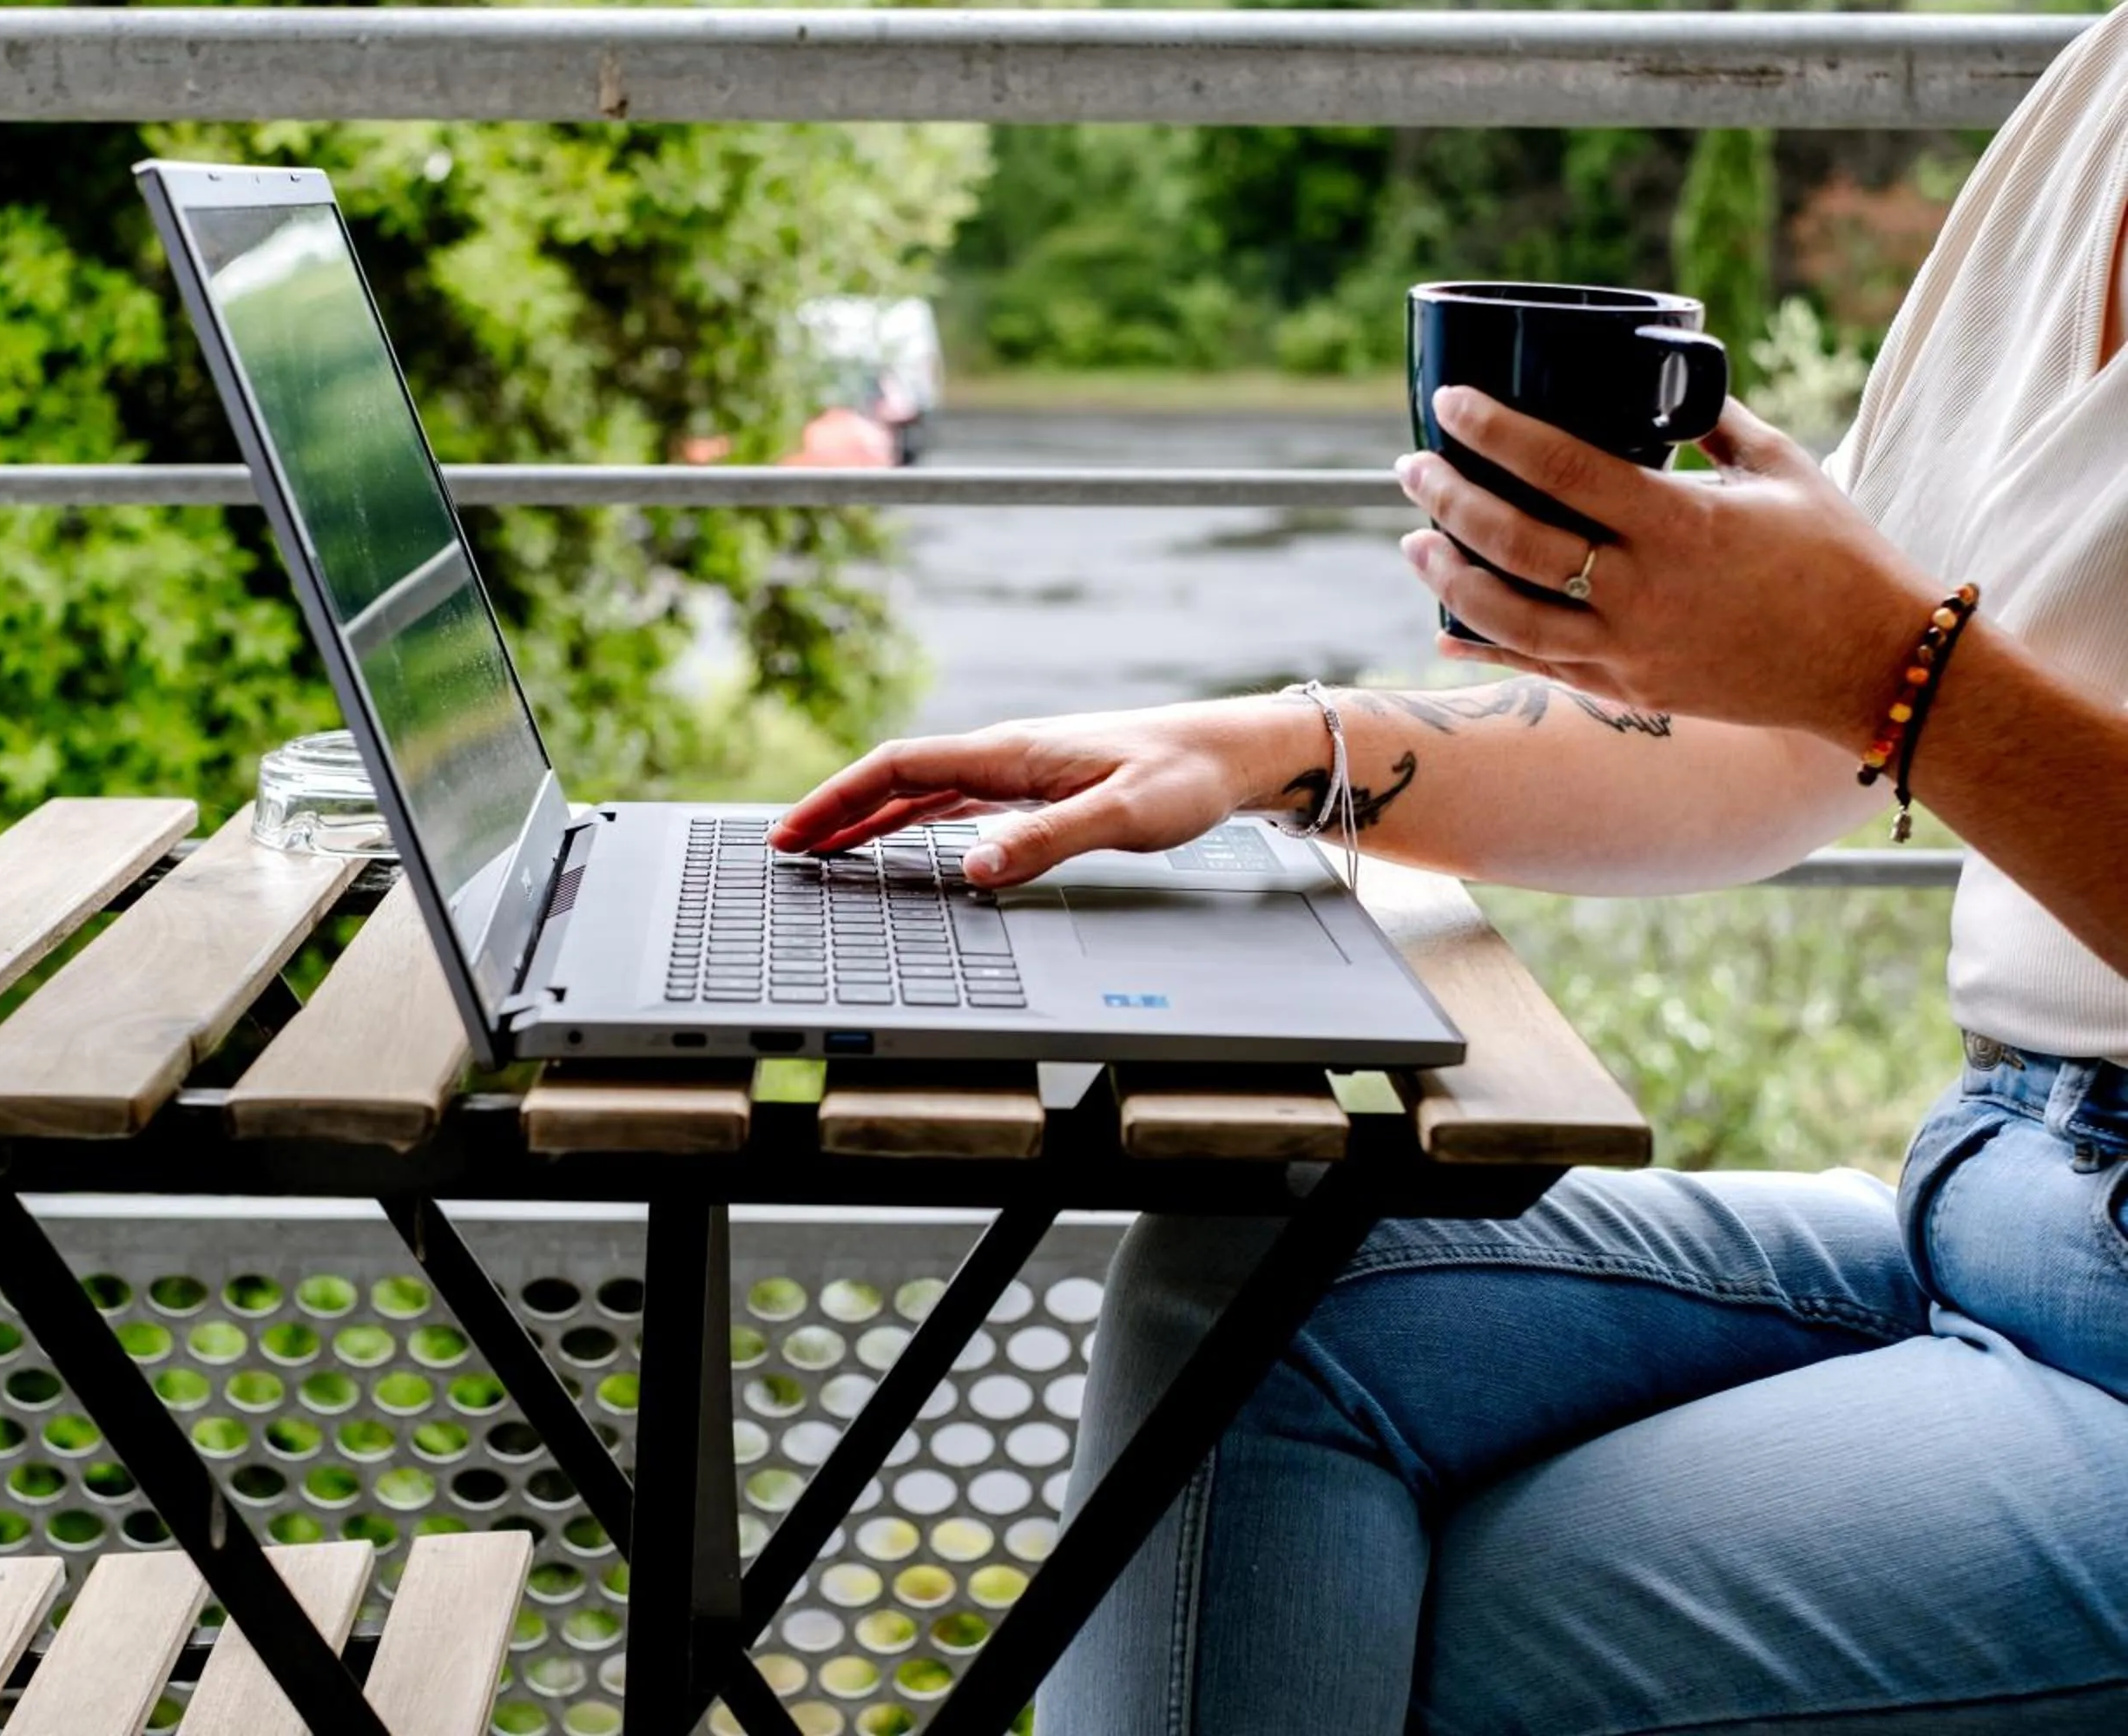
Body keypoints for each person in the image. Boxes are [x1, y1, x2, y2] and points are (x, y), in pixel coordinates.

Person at [764, 10, 2128, 1731]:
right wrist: (1278, 747)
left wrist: (1882, 669)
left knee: (1456, 1627)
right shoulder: (2099, 97)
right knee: (1242, 1294)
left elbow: (1882, 683)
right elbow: (1806, 738)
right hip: (1999, 1194)